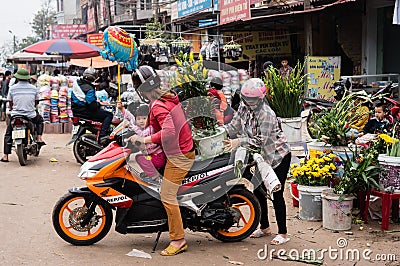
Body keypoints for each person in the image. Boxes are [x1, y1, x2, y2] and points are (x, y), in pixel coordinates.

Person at [129, 65, 194, 256]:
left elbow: (168, 132)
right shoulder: (167, 96)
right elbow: (154, 126)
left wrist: (144, 140)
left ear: (141, 89)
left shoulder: (157, 104)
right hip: (180, 149)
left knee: (167, 195)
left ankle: (178, 240)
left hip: (179, 155)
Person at [223, 78, 291, 245]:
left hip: (277, 157)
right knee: (258, 191)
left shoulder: (266, 114)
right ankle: (265, 227)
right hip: (259, 157)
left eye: (252, 99)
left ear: (261, 98)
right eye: (246, 98)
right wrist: (218, 132)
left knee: (276, 193)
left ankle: (282, 233)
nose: (249, 102)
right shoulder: (243, 107)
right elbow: (234, 126)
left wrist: (238, 142)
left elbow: (262, 140)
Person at [1, 68, 45, 162]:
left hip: (16, 115)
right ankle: (39, 138)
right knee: (40, 120)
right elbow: (36, 101)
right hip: (30, 115)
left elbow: (10, 102)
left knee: (8, 133)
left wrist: (13, 109)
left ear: (18, 78)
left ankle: (5, 156)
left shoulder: (12, 88)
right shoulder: (33, 88)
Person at [118, 103, 166, 184]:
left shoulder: (150, 129)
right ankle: (151, 172)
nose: (141, 121)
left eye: (144, 118)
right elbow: (131, 118)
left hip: (158, 157)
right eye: (139, 119)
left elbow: (141, 135)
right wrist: (122, 109)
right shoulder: (140, 127)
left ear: (149, 118)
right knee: (140, 157)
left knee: (140, 158)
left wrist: (131, 126)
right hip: (152, 155)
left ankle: (155, 176)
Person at [71, 68, 113, 139]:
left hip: (76, 110)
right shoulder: (89, 89)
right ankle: (103, 135)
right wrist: (98, 104)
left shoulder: (77, 83)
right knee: (109, 115)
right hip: (84, 111)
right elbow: (92, 105)